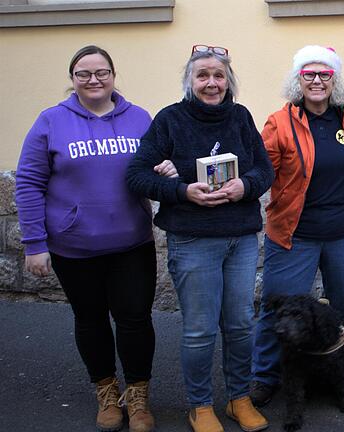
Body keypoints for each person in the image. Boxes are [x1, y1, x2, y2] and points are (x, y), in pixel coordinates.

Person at [125, 45, 273, 432]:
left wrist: (246, 186)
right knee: (200, 329)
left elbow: (265, 169)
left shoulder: (240, 117)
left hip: (239, 237)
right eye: (202, 75)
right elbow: (137, 175)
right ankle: (200, 405)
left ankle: (238, 398)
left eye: (218, 75)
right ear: (190, 81)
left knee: (241, 324)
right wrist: (182, 191)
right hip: (193, 239)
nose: (211, 83)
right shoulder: (170, 120)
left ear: (229, 80)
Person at [15, 45, 157, 432]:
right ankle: (107, 392)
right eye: (83, 73)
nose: (93, 80)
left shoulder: (140, 118)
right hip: (74, 248)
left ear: (113, 75)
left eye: (101, 72)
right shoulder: (51, 121)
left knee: (135, 321)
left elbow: (156, 169)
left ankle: (139, 396)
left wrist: (169, 173)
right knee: (91, 320)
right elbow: (28, 184)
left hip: (132, 244)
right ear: (72, 79)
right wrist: (35, 244)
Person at [250, 45, 344, 406]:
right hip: (295, 234)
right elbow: (262, 168)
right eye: (309, 74)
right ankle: (265, 375)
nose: (317, 81)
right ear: (298, 79)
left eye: (324, 74)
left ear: (334, 80)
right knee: (277, 307)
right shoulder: (279, 122)